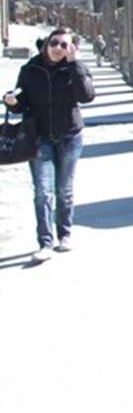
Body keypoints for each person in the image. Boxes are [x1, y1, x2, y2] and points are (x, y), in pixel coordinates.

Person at [3, 27, 95, 263]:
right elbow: (21, 103)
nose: (58, 48)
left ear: (71, 49)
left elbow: (86, 96)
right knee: (43, 192)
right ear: (46, 44)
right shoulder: (30, 69)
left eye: (65, 45)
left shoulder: (74, 69)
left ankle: (65, 235)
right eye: (55, 43)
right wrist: (12, 101)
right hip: (39, 136)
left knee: (64, 191)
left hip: (70, 136)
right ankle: (45, 242)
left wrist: (75, 65)